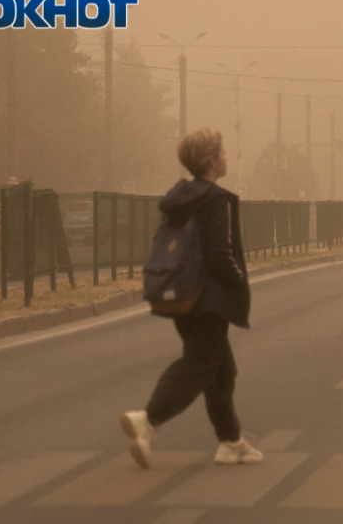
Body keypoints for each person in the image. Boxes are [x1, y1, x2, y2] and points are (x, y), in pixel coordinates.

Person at [120, 129, 261, 469]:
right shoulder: (218, 200)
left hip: (182, 293)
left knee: (221, 370)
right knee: (200, 364)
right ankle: (148, 420)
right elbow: (221, 254)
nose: (226, 157)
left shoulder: (179, 198)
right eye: (222, 153)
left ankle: (231, 442)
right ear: (212, 161)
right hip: (211, 300)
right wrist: (240, 280)